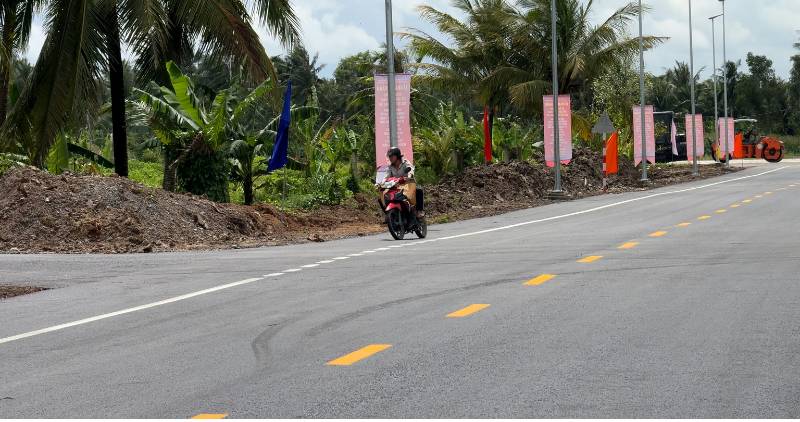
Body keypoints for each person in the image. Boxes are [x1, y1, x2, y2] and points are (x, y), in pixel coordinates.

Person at [383, 147, 424, 218]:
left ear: (397, 156)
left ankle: (419, 210)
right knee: (385, 194)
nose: (390, 158)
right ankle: (389, 214)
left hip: (408, 185)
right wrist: (382, 182)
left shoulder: (406, 163)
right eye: (389, 156)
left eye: (392, 156)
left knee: (418, 190)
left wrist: (409, 176)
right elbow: (386, 177)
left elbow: (410, 170)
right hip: (396, 187)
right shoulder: (390, 167)